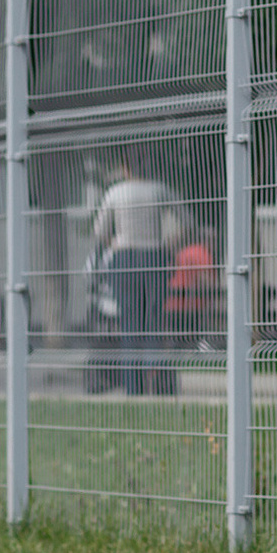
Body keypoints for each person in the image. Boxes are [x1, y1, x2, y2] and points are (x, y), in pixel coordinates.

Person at [89, 153, 182, 396]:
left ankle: (134, 389)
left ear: (125, 168)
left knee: (129, 324)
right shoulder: (158, 189)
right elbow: (186, 222)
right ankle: (160, 387)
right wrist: (170, 245)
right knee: (153, 323)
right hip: (154, 256)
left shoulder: (116, 192)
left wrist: (114, 244)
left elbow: (99, 231)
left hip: (125, 258)